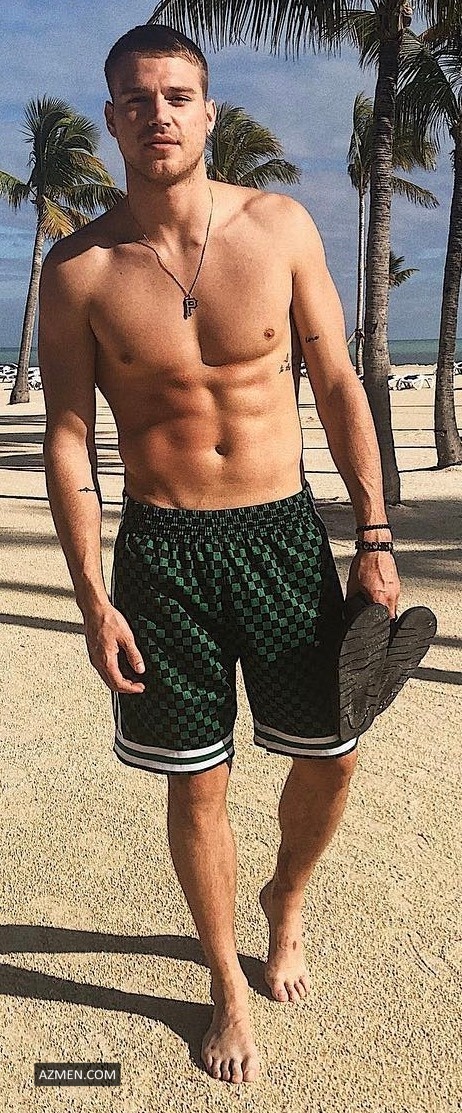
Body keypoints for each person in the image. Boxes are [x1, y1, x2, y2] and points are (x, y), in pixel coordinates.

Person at [39, 24, 400, 1086]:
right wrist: (93, 597)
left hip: (280, 531)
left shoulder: (277, 227)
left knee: (331, 752)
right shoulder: (79, 269)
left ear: (208, 112)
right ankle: (225, 984)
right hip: (164, 550)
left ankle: (286, 899)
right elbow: (69, 437)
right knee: (197, 786)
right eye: (137, 99)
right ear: (112, 120)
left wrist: (375, 534)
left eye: (177, 96)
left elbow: (337, 382)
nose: (157, 114)